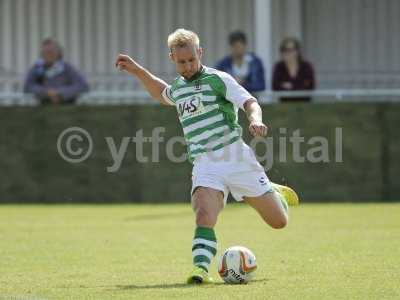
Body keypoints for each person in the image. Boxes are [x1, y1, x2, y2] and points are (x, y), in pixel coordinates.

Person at [115, 28, 299, 284]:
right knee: (203, 215)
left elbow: (249, 102)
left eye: (192, 59)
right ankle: (200, 270)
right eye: (182, 61)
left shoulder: (218, 79)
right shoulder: (179, 89)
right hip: (205, 163)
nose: (188, 65)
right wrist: (137, 71)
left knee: (278, 222)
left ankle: (273, 192)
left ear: (200, 53)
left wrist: (255, 120)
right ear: (172, 58)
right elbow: (162, 93)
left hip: (236, 157)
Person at [23, 38, 89, 105]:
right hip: (43, 106)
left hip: (67, 106)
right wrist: (46, 92)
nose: (49, 54)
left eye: (51, 51)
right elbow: (28, 86)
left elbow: (82, 85)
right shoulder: (37, 68)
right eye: (46, 52)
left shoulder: (67, 68)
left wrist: (59, 92)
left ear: (58, 53)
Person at [215, 31, 265, 97]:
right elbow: (216, 83)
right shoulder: (224, 64)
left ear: (244, 46)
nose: (237, 49)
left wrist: (242, 83)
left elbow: (261, 86)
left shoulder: (255, 62)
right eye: (234, 46)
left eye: (239, 46)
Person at [272, 37, 315, 102]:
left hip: (305, 103)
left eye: (291, 50)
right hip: (284, 104)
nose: (288, 53)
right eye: (284, 50)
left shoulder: (306, 66)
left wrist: (290, 86)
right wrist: (298, 85)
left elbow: (310, 86)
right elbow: (275, 86)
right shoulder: (279, 67)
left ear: (297, 51)